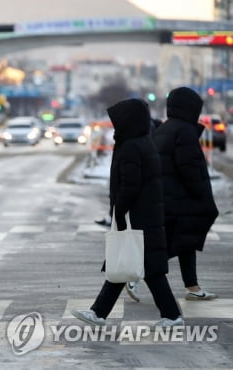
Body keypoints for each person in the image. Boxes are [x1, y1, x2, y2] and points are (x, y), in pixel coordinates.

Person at [72, 98, 183, 327]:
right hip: (145, 215)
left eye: (118, 120)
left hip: (137, 215)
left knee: (140, 266)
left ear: (128, 121)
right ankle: (99, 313)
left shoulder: (132, 146)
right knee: (125, 263)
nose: (114, 125)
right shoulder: (142, 141)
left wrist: (119, 211)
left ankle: (171, 316)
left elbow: (130, 185)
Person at [153, 87, 219, 300]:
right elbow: (189, 166)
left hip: (168, 197)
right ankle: (137, 273)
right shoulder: (185, 131)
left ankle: (192, 287)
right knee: (181, 241)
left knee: (185, 240)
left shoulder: (164, 129)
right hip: (183, 198)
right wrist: (201, 193)